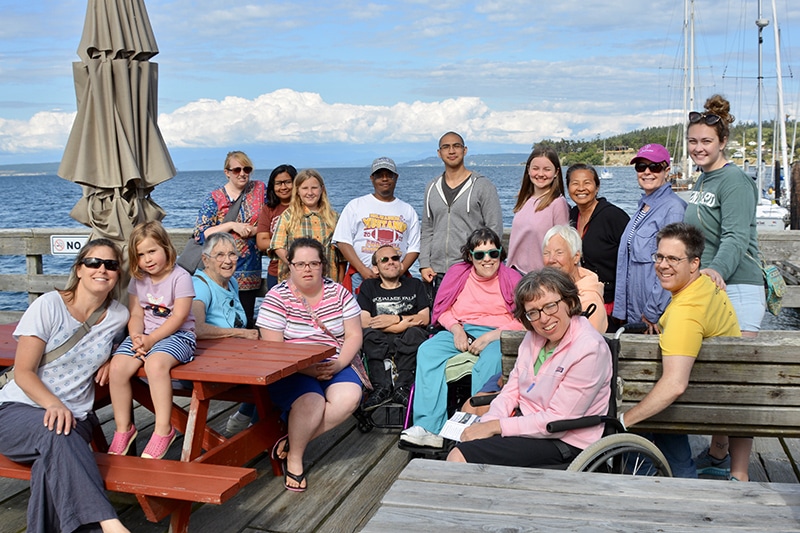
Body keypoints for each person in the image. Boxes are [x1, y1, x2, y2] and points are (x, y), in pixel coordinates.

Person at [0, 239, 130, 533]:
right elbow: (23, 372)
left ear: (117, 275)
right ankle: (110, 525)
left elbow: (133, 340)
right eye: (94, 263)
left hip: (77, 418)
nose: (102, 270)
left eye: (110, 265)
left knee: (52, 463)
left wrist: (115, 356)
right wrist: (54, 404)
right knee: (56, 432)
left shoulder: (119, 316)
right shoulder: (48, 305)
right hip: (20, 410)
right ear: (79, 269)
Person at [446, 268, 612, 467]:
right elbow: (511, 391)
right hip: (527, 426)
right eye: (533, 312)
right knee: (464, 443)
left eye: (550, 306)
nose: (543, 319)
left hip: (565, 440)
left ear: (569, 302)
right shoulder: (533, 338)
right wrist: (488, 422)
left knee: (460, 456)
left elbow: (558, 420)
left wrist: (496, 426)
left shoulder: (589, 349)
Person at [683, 95, 765, 482]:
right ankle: (717, 452)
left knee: (736, 381)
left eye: (706, 142)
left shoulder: (734, 180)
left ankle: (740, 473)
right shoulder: (703, 178)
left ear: (722, 143)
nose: (699, 148)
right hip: (712, 290)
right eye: (694, 142)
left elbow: (734, 237)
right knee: (717, 378)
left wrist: (713, 271)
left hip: (740, 288)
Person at [617, 222, 740, 478]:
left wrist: (623, 421)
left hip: (693, 404)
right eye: (659, 256)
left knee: (629, 425)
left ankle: (638, 484)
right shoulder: (706, 283)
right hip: (721, 395)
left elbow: (674, 385)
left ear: (693, 264)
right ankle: (684, 477)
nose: (662, 265)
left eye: (673, 258)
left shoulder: (685, 314)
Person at [400, 228, 524, 448]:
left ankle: (477, 425)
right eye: (480, 255)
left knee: (492, 360)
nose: (487, 260)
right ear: (470, 256)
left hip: (499, 332)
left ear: (500, 254)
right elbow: (443, 310)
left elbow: (524, 319)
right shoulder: (458, 274)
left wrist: (492, 336)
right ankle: (430, 428)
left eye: (493, 254)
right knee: (427, 351)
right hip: (461, 328)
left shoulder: (512, 278)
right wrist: (456, 329)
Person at [257, 238, 363, 492]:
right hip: (291, 367)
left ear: (323, 265)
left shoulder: (339, 293)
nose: (307, 269)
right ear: (290, 266)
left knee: (349, 397)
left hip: (333, 361)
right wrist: (305, 368)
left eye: (313, 263)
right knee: (312, 402)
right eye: (301, 263)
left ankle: (293, 443)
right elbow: (273, 348)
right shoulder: (276, 297)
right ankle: (294, 460)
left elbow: (354, 335)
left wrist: (338, 365)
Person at [108, 221, 196, 460]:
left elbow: (178, 317)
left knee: (155, 365)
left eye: (152, 251)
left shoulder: (181, 277)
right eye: (140, 254)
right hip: (145, 336)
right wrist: (136, 336)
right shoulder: (138, 280)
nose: (147, 259)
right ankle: (123, 428)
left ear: (166, 248)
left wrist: (151, 339)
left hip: (178, 336)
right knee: (117, 366)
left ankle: (163, 429)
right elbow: (136, 313)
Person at [419, 132, 503, 304]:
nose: (451, 151)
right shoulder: (432, 187)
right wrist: (424, 263)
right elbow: (427, 228)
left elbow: (494, 228)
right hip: (437, 272)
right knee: (440, 324)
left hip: (470, 269)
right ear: (439, 153)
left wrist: (484, 262)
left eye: (456, 146)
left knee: (470, 322)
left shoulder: (482, 185)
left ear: (465, 150)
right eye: (446, 147)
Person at [613, 144, 687, 333]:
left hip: (653, 316)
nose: (647, 172)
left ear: (667, 170)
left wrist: (653, 312)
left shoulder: (673, 208)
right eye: (641, 167)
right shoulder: (643, 206)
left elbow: (672, 265)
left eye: (654, 167)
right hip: (635, 311)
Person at [193, 151, 266, 328]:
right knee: (219, 318)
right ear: (227, 172)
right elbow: (200, 233)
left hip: (249, 272)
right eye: (236, 170)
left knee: (245, 319)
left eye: (246, 169)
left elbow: (269, 223)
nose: (242, 173)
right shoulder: (215, 198)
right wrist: (232, 225)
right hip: (219, 271)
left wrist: (253, 230)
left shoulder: (259, 190)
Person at [358, 245, 430, 410]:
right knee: (368, 335)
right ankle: (381, 387)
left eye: (395, 258)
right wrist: (398, 327)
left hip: (408, 339)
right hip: (380, 339)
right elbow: (365, 321)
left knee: (415, 333)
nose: (391, 262)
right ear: (376, 268)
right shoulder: (369, 287)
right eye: (384, 259)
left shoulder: (414, 284)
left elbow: (424, 318)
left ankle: (402, 387)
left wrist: (394, 319)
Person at [333, 157, 421, 292]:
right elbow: (343, 241)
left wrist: (399, 271)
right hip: (361, 277)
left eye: (389, 175)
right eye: (379, 175)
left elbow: (414, 247)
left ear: (396, 177)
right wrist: (363, 270)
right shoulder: (355, 206)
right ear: (372, 178)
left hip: (396, 280)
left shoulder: (408, 210)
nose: (384, 179)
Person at [567, 164, 629, 323]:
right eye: (575, 183)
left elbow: (631, 259)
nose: (581, 188)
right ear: (568, 188)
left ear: (597, 187)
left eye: (587, 183)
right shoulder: (572, 215)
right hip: (582, 298)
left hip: (611, 302)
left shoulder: (613, 216)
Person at [269, 169, 341, 282]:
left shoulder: (334, 218)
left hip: (328, 280)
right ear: (297, 191)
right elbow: (277, 246)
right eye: (305, 188)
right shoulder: (288, 216)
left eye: (314, 188)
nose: (310, 192)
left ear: (322, 189)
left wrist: (340, 283)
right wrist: (297, 265)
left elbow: (341, 257)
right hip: (296, 281)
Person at [507, 146, 570, 273]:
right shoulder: (524, 199)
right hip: (514, 272)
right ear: (528, 169)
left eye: (547, 169)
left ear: (556, 172)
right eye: (535, 168)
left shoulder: (558, 203)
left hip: (539, 278)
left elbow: (563, 246)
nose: (540, 174)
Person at [542, 225, 607, 333]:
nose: (551, 259)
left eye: (559, 253)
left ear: (576, 257)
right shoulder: (543, 290)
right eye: (546, 253)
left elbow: (590, 343)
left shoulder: (590, 300)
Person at [256, 164, 298, 289]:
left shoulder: (304, 208)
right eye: (278, 183)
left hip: (304, 271)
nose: (283, 187)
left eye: (287, 182)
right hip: (276, 271)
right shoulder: (269, 210)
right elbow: (262, 242)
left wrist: (275, 243)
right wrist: (291, 244)